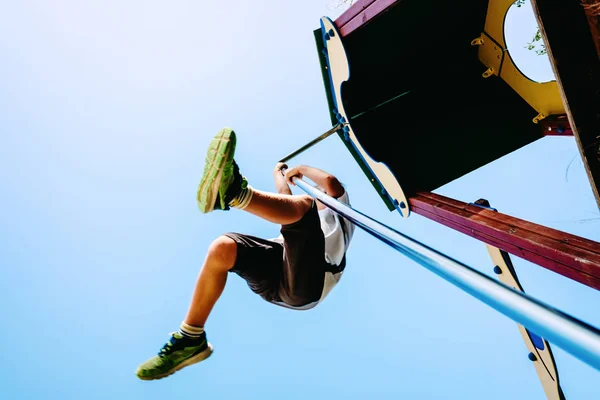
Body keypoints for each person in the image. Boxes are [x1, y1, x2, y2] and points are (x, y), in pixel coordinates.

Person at [136, 127, 355, 380]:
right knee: (223, 248)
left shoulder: (339, 210)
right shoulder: (299, 217)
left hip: (310, 282)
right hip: (278, 272)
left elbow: (331, 183)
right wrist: (279, 176)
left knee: (302, 208)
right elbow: (285, 199)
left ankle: (234, 194)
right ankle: (190, 338)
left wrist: (301, 169)